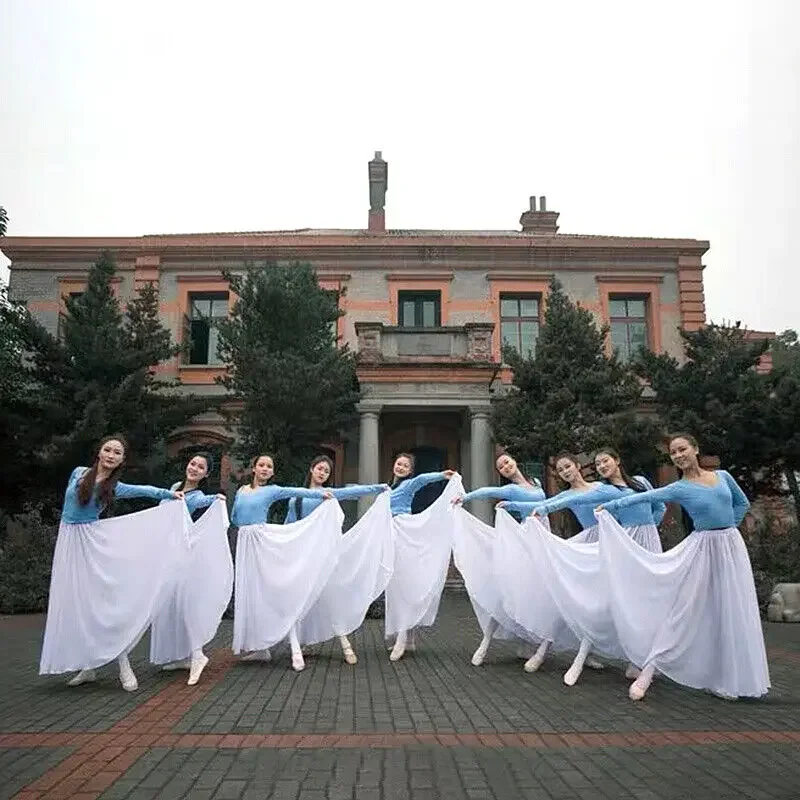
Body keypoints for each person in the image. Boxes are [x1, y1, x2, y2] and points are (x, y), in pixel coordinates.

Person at [597, 433, 769, 701]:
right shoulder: (679, 487)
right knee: (684, 607)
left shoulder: (723, 476)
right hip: (703, 547)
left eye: (682, 449)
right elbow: (643, 498)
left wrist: (729, 529)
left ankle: (729, 678)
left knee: (731, 608)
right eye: (673, 453)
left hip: (731, 546)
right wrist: (610, 505)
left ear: (695, 449)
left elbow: (742, 503)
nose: (678, 455)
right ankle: (648, 671)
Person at [504, 447, 666, 686]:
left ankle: (638, 660)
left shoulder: (639, 482)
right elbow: (573, 498)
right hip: (615, 542)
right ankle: (560, 649)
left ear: (617, 460)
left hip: (644, 541)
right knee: (596, 596)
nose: (601, 466)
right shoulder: (606, 490)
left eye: (605, 461)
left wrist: (648, 527)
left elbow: (658, 506)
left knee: (646, 600)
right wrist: (541, 508)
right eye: (598, 464)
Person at [40, 435, 184, 691]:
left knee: (101, 602)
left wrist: (170, 494)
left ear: (121, 460)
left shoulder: (114, 486)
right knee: (79, 604)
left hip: (91, 540)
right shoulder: (78, 473)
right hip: (68, 541)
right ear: (99, 452)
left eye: (117, 452)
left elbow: (144, 490)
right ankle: (89, 666)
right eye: (108, 449)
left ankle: (122, 662)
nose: (111, 455)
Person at [231, 454, 333, 671]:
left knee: (272, 591)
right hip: (244, 541)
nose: (265, 468)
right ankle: (260, 648)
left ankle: (295, 645)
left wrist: (324, 494)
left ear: (272, 472)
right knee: (252, 593)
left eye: (269, 466)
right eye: (262, 465)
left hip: (260, 540)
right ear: (254, 469)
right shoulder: (241, 491)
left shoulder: (273, 490)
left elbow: (299, 491)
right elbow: (235, 517)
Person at [283, 454, 387, 665]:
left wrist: (378, 489)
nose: (322, 473)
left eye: (326, 471)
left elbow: (352, 491)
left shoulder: (328, 494)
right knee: (298, 599)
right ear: (312, 469)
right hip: (303, 555)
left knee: (328, 596)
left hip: (323, 556)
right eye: (319, 468)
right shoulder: (296, 497)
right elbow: (289, 525)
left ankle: (344, 641)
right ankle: (297, 645)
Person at [451, 451, 546, 666]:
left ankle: (528, 641)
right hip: (528, 538)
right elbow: (486, 491)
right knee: (509, 589)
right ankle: (485, 641)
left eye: (506, 462)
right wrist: (465, 497)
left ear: (514, 460)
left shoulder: (536, 482)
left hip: (544, 538)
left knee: (539, 591)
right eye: (501, 467)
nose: (505, 467)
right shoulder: (510, 489)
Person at [151, 452, 231, 686]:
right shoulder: (175, 487)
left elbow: (210, 504)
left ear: (206, 474)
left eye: (200, 467)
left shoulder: (198, 497)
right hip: (167, 555)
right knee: (171, 606)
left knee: (186, 605)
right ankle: (184, 656)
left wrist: (218, 499)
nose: (194, 468)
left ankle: (198, 654)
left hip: (184, 558)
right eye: (193, 464)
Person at [385, 453, 457, 661]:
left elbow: (421, 480)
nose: (400, 467)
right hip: (392, 533)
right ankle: (410, 638)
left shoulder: (408, 484)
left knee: (403, 583)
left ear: (410, 470)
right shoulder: (391, 487)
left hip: (402, 530)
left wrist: (441, 475)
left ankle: (402, 637)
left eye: (405, 466)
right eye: (398, 463)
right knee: (397, 583)